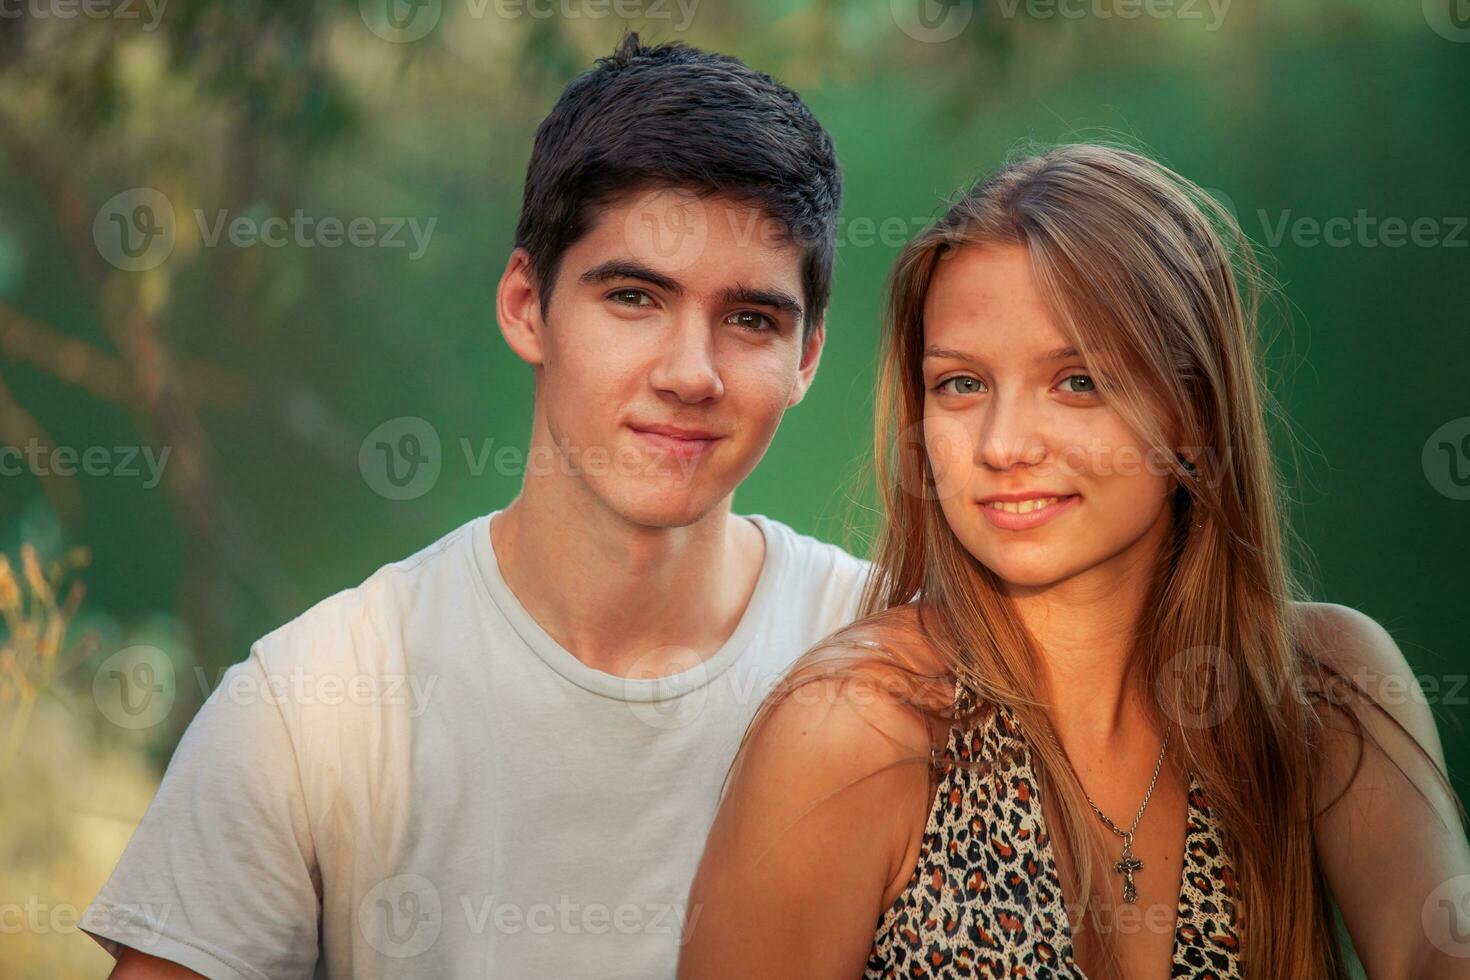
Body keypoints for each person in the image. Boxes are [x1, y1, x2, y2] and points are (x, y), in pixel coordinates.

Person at [83, 33, 871, 979]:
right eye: (633, 297)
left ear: (809, 357)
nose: (690, 373)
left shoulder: (892, 656)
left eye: (750, 320)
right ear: (525, 306)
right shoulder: (314, 708)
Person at [680, 143, 1470, 979]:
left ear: (1194, 412)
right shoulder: (854, 725)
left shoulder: (1321, 687)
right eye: (961, 385)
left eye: (1079, 381)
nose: (1003, 445)